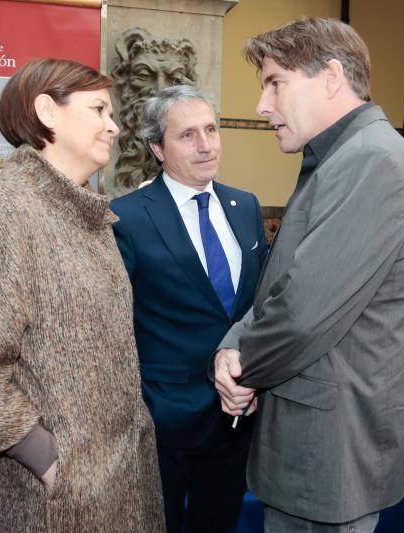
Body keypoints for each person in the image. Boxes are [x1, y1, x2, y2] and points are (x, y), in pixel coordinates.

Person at [212, 18, 404, 532]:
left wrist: (239, 364)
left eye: (275, 83)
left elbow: (303, 314)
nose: (263, 106)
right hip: (320, 444)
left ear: (331, 77)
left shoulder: (370, 161)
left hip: (330, 451)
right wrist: (233, 345)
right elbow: (285, 285)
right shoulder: (344, 157)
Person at [0, 58, 165, 532]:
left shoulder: (81, 211)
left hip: (119, 479)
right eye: (98, 109)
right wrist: (50, 462)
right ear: (47, 112)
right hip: (57, 500)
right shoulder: (5, 217)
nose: (114, 127)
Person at [110, 85, 267, 533]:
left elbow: (258, 303)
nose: (206, 145)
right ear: (157, 148)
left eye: (212, 130)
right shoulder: (127, 217)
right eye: (188, 135)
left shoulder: (245, 206)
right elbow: (112, 325)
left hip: (237, 414)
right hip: (163, 422)